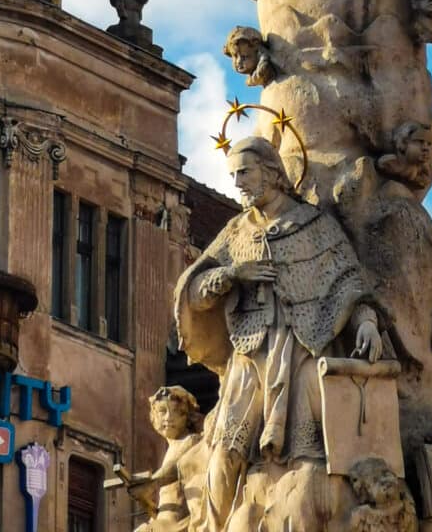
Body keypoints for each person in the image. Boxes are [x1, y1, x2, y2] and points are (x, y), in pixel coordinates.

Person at [175, 137, 382, 532]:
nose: (238, 183)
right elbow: (196, 292)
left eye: (244, 172)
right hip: (251, 350)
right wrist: (232, 274)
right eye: (233, 175)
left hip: (305, 346)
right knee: (226, 449)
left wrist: (367, 322)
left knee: (309, 452)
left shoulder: (316, 226)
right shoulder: (237, 232)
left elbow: (348, 283)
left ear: (271, 173)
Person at [127, 387, 207, 532]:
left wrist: (150, 484)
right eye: (162, 411)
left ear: (188, 417)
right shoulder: (171, 447)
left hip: (175, 523)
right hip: (163, 520)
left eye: (177, 411)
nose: (169, 417)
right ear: (154, 416)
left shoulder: (191, 440)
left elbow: (174, 467)